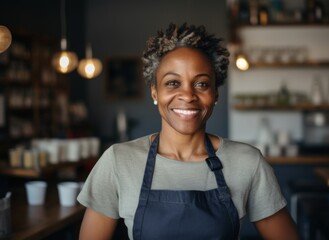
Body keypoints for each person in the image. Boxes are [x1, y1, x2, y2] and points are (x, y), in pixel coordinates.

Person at [77, 23, 300, 240]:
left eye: (201, 84)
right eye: (173, 83)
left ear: (215, 93)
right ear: (155, 92)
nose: (188, 95)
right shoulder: (118, 161)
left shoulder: (247, 162)